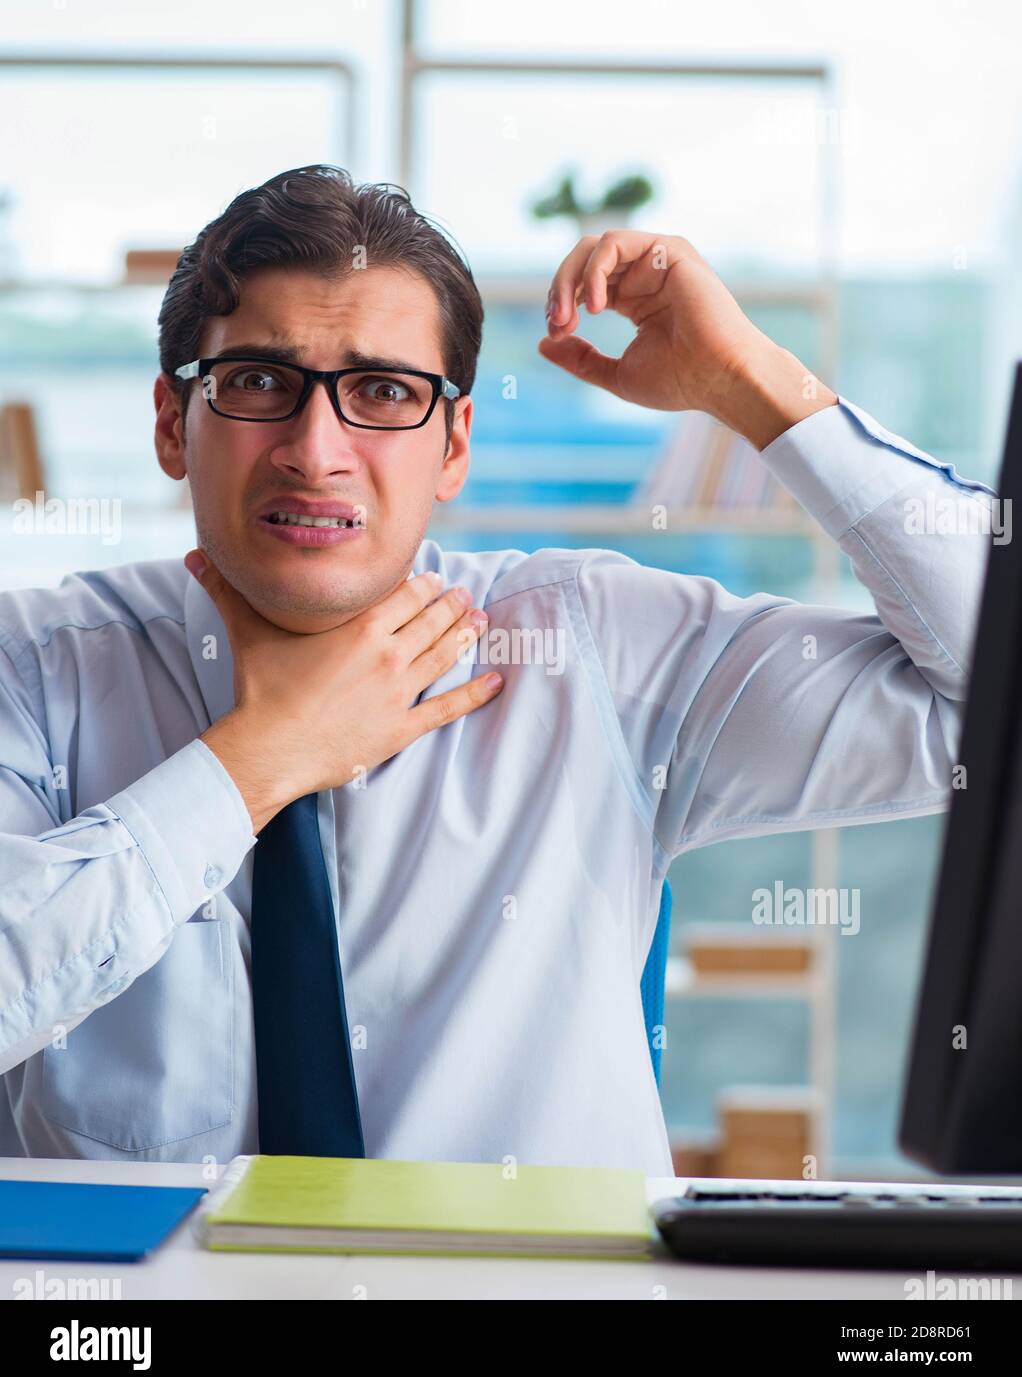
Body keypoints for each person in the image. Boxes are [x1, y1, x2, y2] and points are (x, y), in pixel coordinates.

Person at [0, 165, 995, 1175]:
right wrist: (257, 761)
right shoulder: (34, 668)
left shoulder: (586, 645)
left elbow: (988, 705)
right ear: (174, 423)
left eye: (383, 391)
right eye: (259, 381)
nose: (316, 450)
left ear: (453, 446)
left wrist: (747, 381)